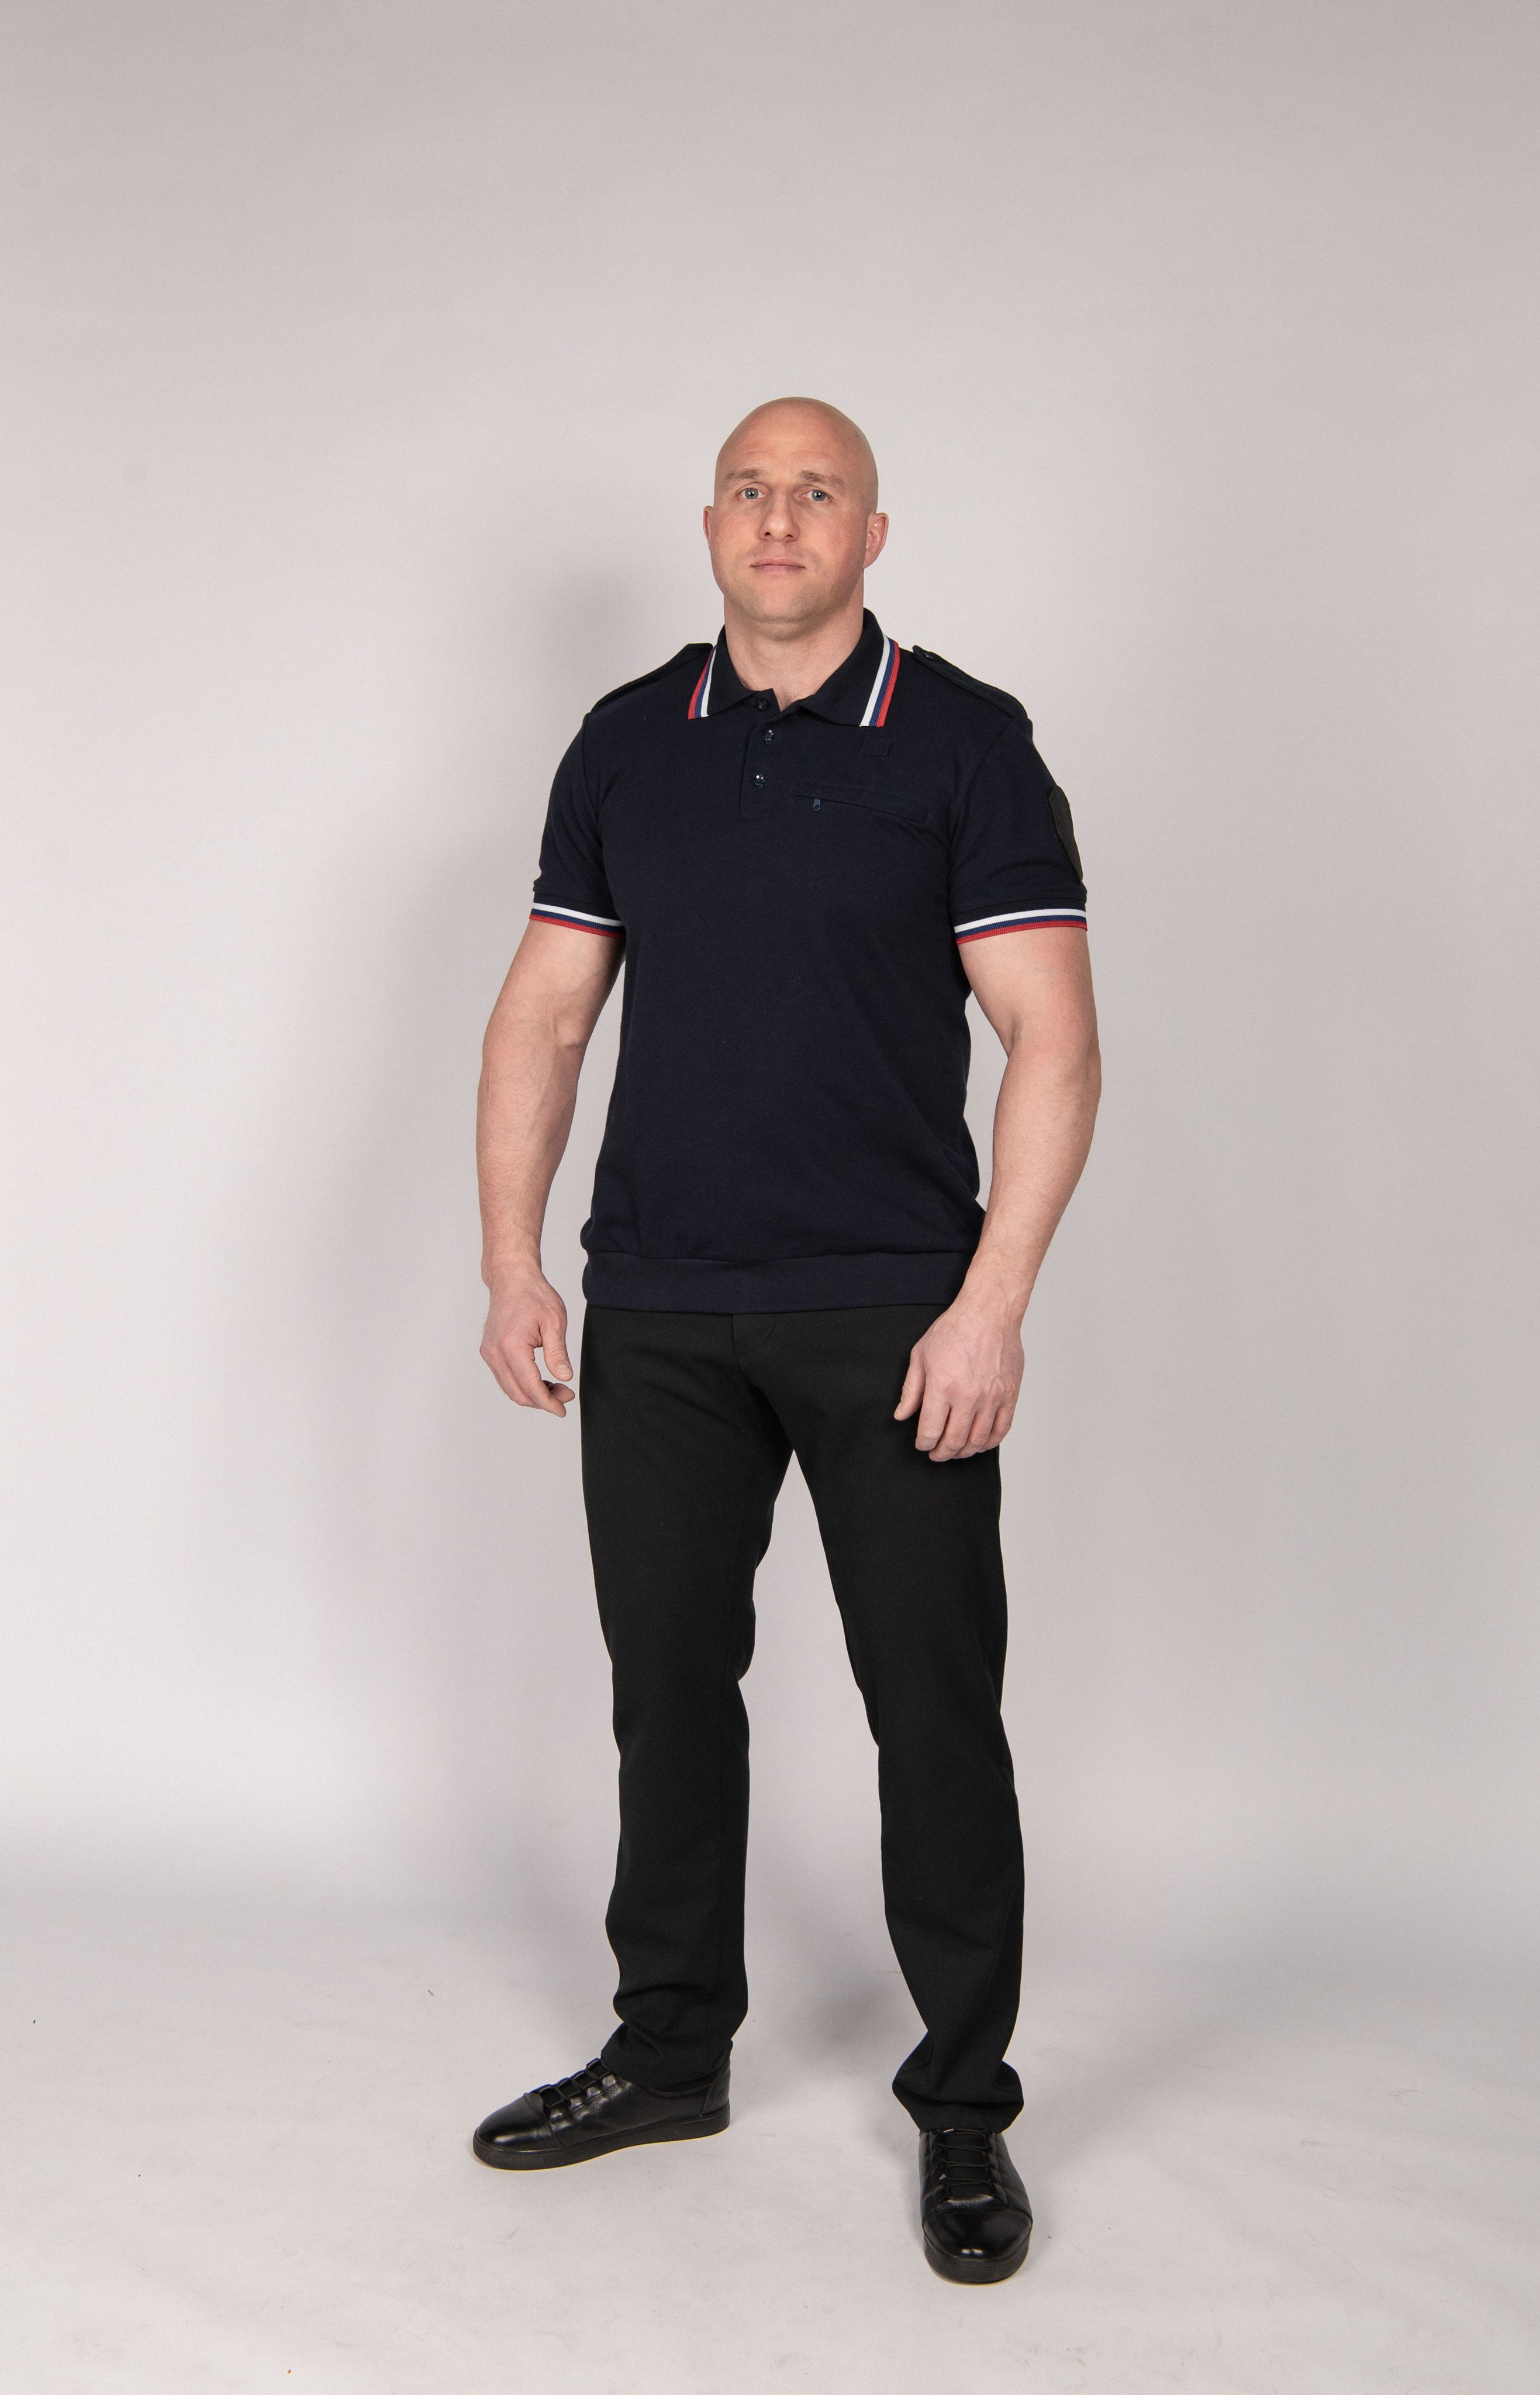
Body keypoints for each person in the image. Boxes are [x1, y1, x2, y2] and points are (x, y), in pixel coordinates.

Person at [468, 397, 1100, 2285]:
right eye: (751, 488)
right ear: (710, 523)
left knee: (933, 1710)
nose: (779, 516)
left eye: (818, 492)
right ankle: (671, 2050)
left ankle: (965, 2106)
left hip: (894, 1312)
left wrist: (990, 1305)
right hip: (661, 1308)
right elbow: (546, 1015)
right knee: (668, 1692)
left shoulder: (966, 742)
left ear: (872, 536)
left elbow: (1053, 1042)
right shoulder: (625, 741)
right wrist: (513, 1262)